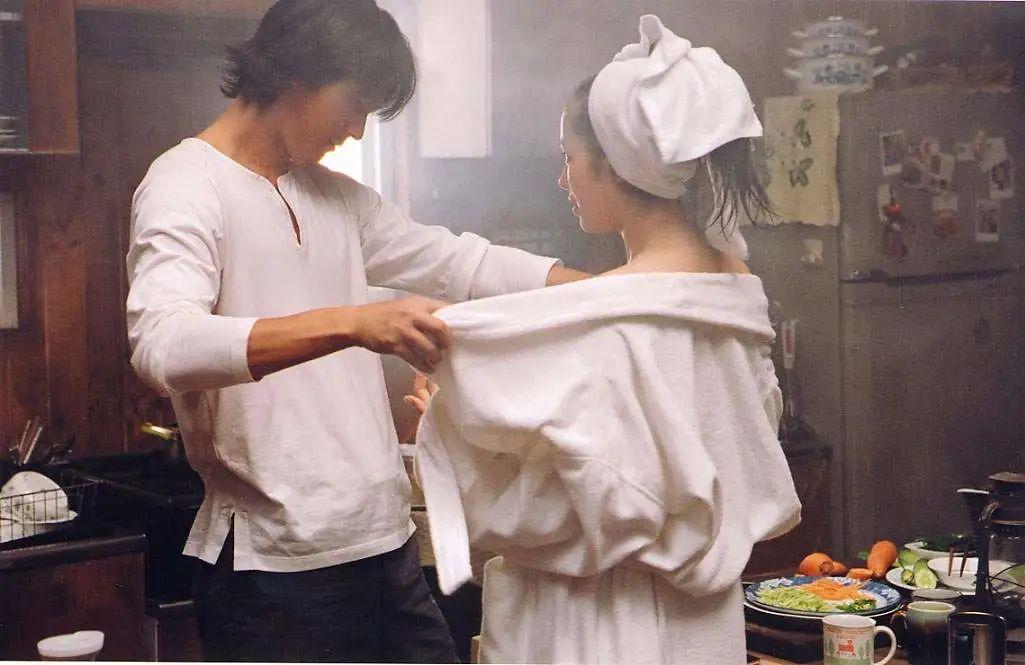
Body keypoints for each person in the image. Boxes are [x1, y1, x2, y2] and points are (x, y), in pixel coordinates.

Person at [124, 1, 587, 662]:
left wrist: (624, 289)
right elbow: (163, 345)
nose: (357, 128)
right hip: (273, 574)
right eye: (353, 105)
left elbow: (464, 263)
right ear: (295, 78)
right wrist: (352, 321)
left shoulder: (336, 197)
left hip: (386, 548)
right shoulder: (184, 185)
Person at [412, 15, 802, 664]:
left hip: (593, 627)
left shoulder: (598, 319)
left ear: (615, 163)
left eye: (569, 159)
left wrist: (457, 437)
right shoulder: (735, 288)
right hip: (701, 625)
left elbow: (565, 509)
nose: (563, 179)